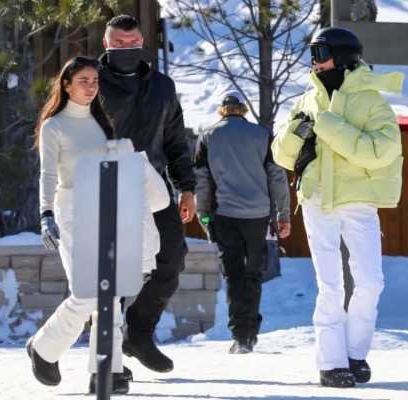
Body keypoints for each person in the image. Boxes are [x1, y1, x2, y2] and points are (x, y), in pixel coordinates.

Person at [27, 56, 170, 394]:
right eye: (83, 81)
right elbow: (47, 175)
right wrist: (45, 214)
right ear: (66, 84)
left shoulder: (100, 123)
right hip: (70, 212)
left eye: (94, 81)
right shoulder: (55, 126)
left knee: (112, 292)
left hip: (106, 208)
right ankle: (44, 348)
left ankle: (107, 369)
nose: (91, 87)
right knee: (88, 291)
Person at [271, 27, 404, 388]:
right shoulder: (306, 100)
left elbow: (381, 151)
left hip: (358, 200)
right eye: (312, 53)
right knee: (330, 286)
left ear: (344, 56)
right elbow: (281, 155)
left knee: (371, 282)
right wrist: (296, 134)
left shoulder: (372, 101)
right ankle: (331, 363)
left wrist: (327, 126)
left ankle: (354, 353)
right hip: (316, 199)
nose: (315, 61)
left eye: (322, 53)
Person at [97, 15, 197, 373]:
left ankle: (138, 333)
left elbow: (175, 141)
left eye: (133, 41)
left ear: (143, 42)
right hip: (107, 186)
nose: (127, 48)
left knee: (171, 258)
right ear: (106, 43)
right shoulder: (90, 83)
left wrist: (187, 187)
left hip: (154, 189)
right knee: (115, 273)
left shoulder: (162, 86)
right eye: (119, 43)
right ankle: (108, 363)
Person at [195, 91, 291, 354]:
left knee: (234, 275)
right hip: (258, 215)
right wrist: (283, 215)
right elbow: (277, 177)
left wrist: (203, 215)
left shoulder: (208, 136)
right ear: (243, 110)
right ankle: (251, 331)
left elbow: (202, 180)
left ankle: (240, 336)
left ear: (221, 110)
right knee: (254, 274)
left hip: (224, 215)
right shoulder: (262, 134)